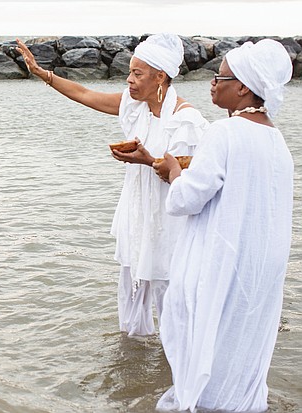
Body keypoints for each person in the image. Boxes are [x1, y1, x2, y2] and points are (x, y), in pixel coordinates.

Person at [16, 34, 209, 336]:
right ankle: (132, 363)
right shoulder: (137, 106)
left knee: (173, 306)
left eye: (137, 73)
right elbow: (85, 94)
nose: (129, 80)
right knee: (130, 300)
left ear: (160, 77)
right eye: (130, 72)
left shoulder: (186, 121)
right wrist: (44, 75)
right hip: (137, 218)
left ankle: (177, 373)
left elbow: (187, 180)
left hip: (169, 226)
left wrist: (146, 161)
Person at [153, 39, 293, 412]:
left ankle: (203, 402)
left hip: (221, 261)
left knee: (201, 335)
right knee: (240, 341)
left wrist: (175, 172)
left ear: (243, 86)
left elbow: (187, 200)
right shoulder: (277, 140)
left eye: (221, 77)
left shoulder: (224, 132)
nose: (213, 83)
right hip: (260, 265)